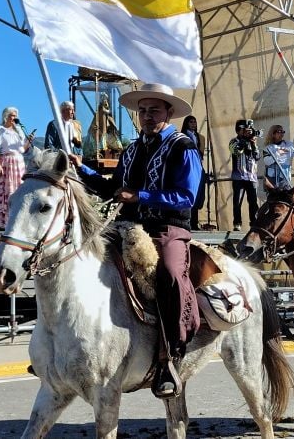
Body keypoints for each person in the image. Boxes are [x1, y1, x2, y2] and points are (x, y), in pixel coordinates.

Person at [68, 82, 201, 399]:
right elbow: (112, 189)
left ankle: (170, 357)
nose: (147, 115)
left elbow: (188, 197)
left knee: (169, 273)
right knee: (81, 259)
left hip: (168, 228)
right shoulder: (130, 149)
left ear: (168, 111)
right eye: (142, 110)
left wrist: (140, 195)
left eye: (153, 109)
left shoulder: (183, 147)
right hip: (128, 226)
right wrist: (82, 169)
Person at [0, 107, 33, 231]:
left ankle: (16, 218)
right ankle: (0, 222)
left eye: (15, 115)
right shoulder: (0, 130)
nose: (14, 118)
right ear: (6, 116)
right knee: (4, 191)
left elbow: (22, 149)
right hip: (7, 162)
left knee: (17, 189)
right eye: (12, 115)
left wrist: (28, 140)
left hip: (18, 162)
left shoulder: (18, 131)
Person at [229, 119, 261, 231]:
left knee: (253, 202)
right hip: (239, 176)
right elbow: (236, 152)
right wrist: (244, 141)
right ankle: (237, 223)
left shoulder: (252, 140)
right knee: (237, 201)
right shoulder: (234, 141)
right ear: (238, 131)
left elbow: (257, 157)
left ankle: (254, 223)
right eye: (244, 130)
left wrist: (253, 144)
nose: (247, 132)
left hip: (251, 176)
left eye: (248, 130)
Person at [262, 124, 294, 191]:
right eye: (279, 132)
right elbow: (267, 161)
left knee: (286, 197)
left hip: (285, 177)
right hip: (272, 178)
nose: (281, 134)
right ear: (273, 134)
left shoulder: (289, 145)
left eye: (283, 132)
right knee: (273, 198)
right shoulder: (268, 148)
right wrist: (277, 154)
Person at [180, 115, 206, 230]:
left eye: (195, 122)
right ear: (186, 123)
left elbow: (201, 152)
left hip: (198, 167)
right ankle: (187, 221)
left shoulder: (200, 137)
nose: (193, 124)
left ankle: (194, 222)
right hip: (187, 168)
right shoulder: (182, 136)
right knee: (188, 194)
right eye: (191, 122)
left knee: (198, 196)